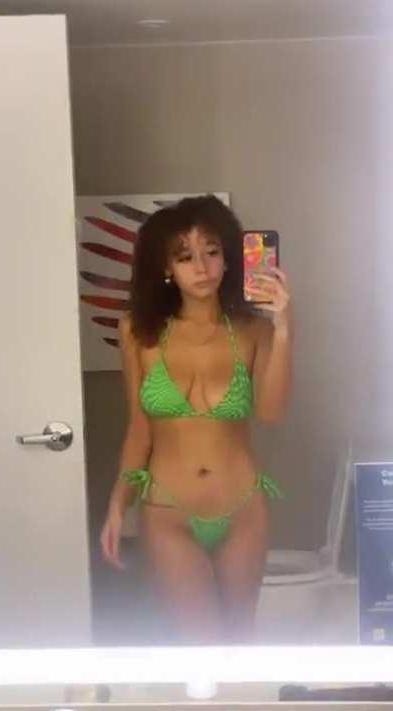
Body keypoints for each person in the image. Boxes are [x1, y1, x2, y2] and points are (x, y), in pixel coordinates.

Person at [100, 194, 293, 644]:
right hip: (168, 510)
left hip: (242, 507)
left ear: (228, 258)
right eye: (185, 257)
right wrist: (118, 504)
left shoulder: (255, 330)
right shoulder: (138, 332)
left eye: (211, 252)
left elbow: (271, 412)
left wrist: (285, 327)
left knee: (239, 647)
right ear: (166, 267)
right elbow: (139, 429)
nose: (201, 267)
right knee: (201, 648)